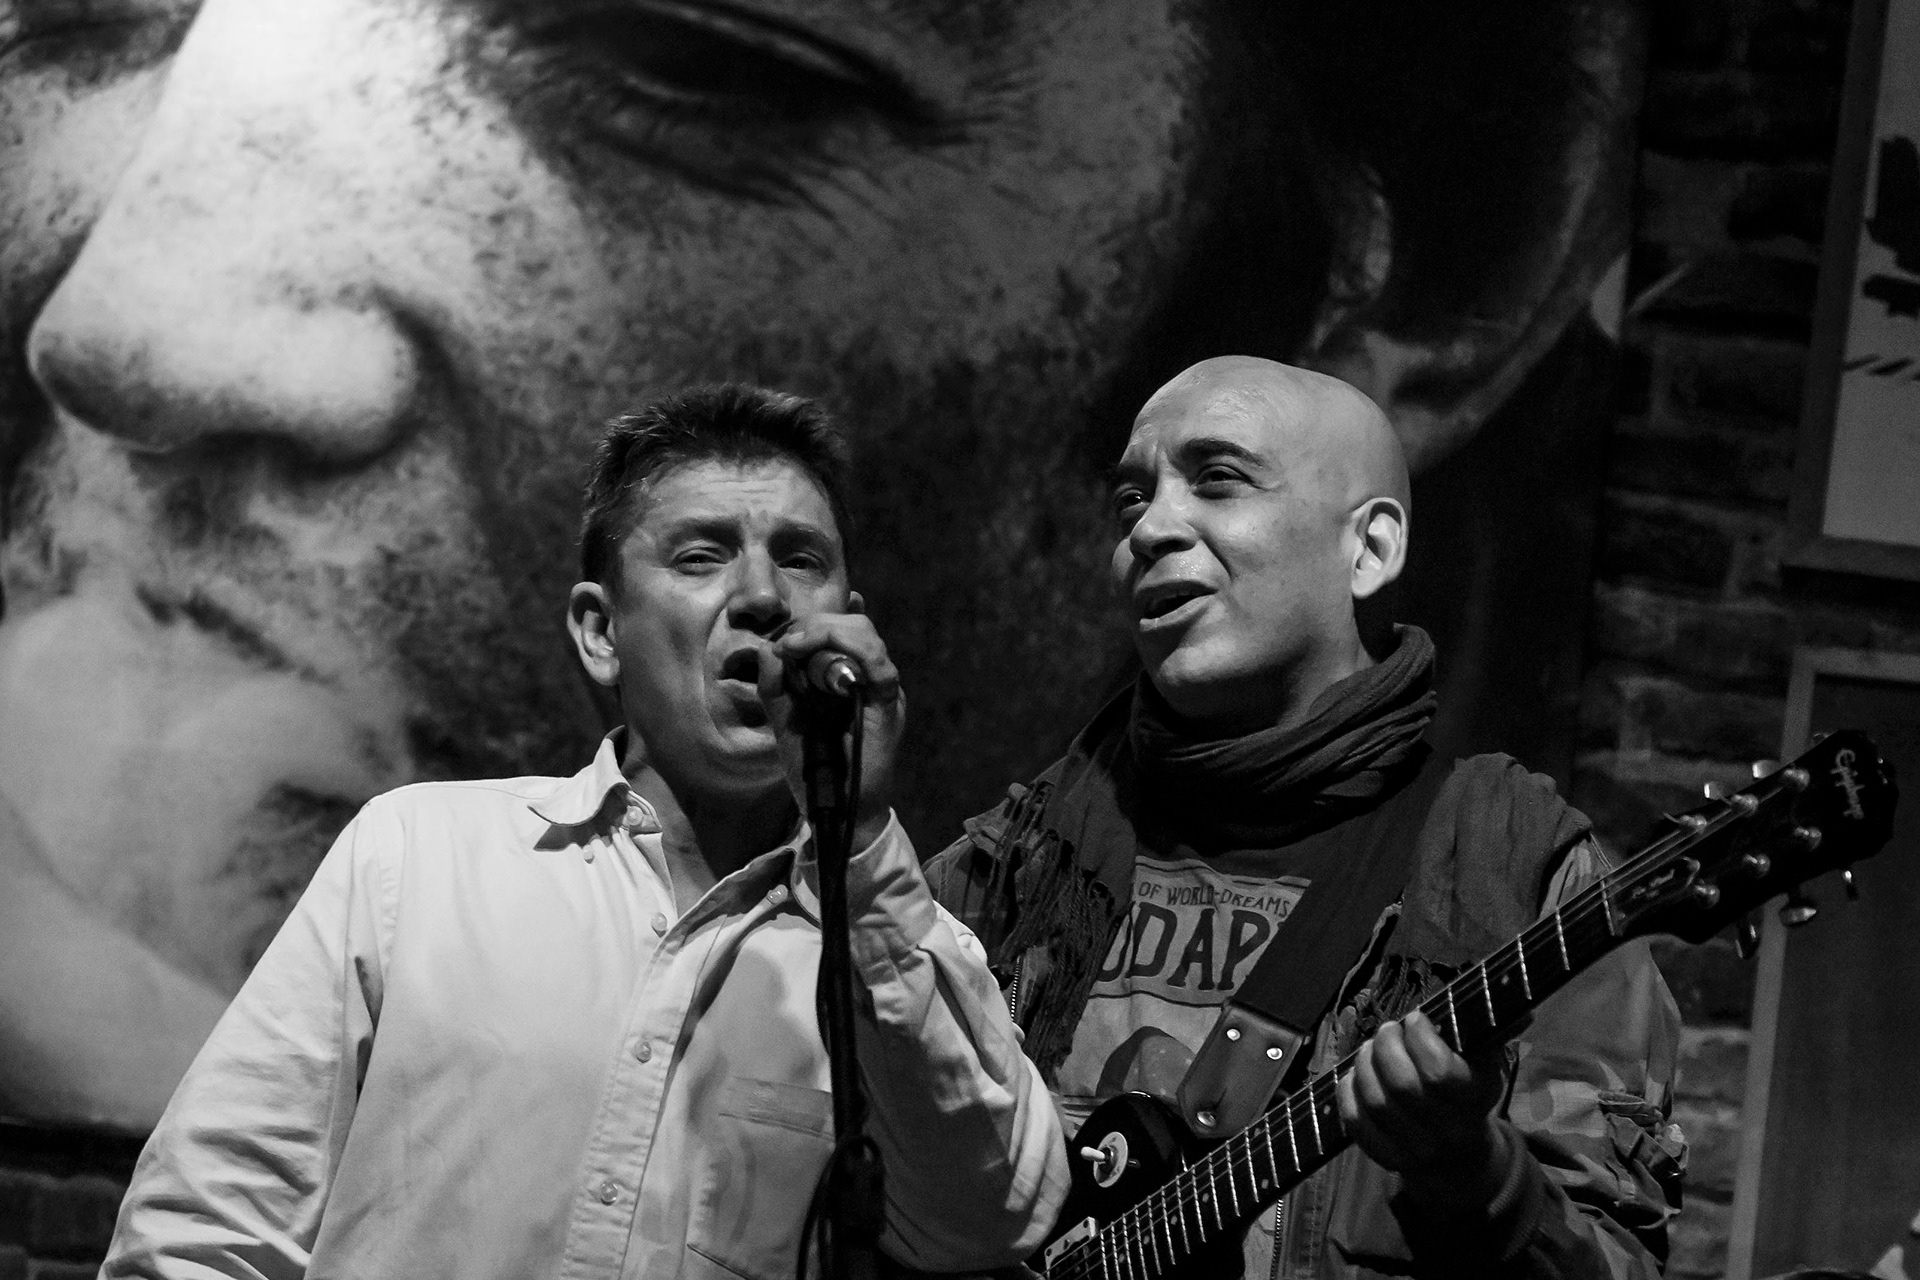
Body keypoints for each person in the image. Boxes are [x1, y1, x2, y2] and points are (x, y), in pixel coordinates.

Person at [0, 0, 1646, 1126]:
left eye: (696, 61)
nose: (121, 334)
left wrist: (1463, 1179)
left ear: (1459, 263)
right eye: (81, 11)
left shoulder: (1499, 883)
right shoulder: (975, 875)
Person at [97, 385, 1069, 1280]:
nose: (764, 596)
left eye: (801, 558)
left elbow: (989, 1217)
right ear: (602, 633)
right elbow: (206, 1226)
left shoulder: (900, 950)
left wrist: (857, 836)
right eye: (700, 555)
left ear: (853, 626)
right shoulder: (420, 855)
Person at [929, 357, 1685, 1279]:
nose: (1149, 528)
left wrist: (1477, 1178)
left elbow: (1617, 1261)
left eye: (1218, 479)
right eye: (1132, 498)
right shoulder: (1014, 861)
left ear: (1368, 550)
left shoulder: (1522, 873)